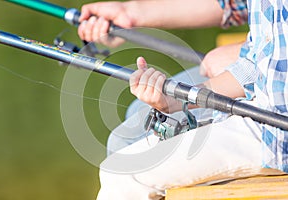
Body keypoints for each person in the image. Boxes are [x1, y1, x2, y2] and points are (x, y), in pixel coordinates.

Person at [88, 0, 288, 199]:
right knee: (130, 141)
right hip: (261, 112)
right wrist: (174, 100)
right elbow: (254, 67)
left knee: (123, 172)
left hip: (275, 135)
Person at [78, 0, 248, 155]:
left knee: (124, 141)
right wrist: (128, 13)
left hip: (263, 73)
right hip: (251, 59)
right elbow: (234, 4)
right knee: (137, 110)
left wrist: (240, 53)